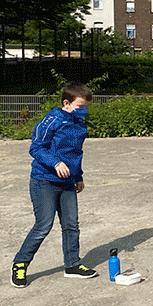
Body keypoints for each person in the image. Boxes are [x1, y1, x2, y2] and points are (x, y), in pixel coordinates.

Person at [11, 82, 99, 287]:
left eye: (86, 107)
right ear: (66, 103)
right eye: (80, 107)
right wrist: (55, 162)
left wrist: (78, 176)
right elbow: (36, 147)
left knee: (71, 225)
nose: (83, 111)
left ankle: (72, 265)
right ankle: (20, 264)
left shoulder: (79, 125)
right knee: (43, 225)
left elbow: (76, 154)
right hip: (44, 181)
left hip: (68, 183)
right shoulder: (52, 120)